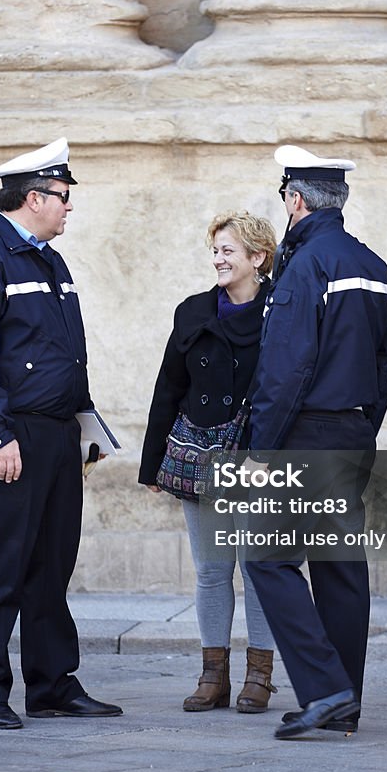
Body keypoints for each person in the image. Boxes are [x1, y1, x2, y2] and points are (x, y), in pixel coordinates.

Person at [0, 138, 122, 729]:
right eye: (64, 197)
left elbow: (65, 354)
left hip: (57, 435)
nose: (70, 208)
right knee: (0, 563)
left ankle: (52, 684)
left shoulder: (49, 259)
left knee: (51, 564)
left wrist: (84, 427)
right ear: (34, 197)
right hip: (9, 434)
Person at [244, 145, 387, 739]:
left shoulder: (306, 265)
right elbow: (386, 364)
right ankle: (345, 704)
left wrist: (261, 446)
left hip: (303, 435)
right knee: (339, 567)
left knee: (265, 559)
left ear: (295, 199)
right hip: (353, 432)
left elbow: (286, 368)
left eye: (285, 198)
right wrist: (365, 426)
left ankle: (325, 688)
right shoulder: (374, 266)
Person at [139, 210, 278, 714]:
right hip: (200, 454)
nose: (218, 258)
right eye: (215, 250)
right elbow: (169, 387)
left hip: (259, 458)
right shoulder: (193, 311)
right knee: (211, 569)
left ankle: (259, 675)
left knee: (260, 567)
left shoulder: (282, 311)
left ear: (258, 258)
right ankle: (213, 675)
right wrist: (152, 462)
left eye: (229, 251)